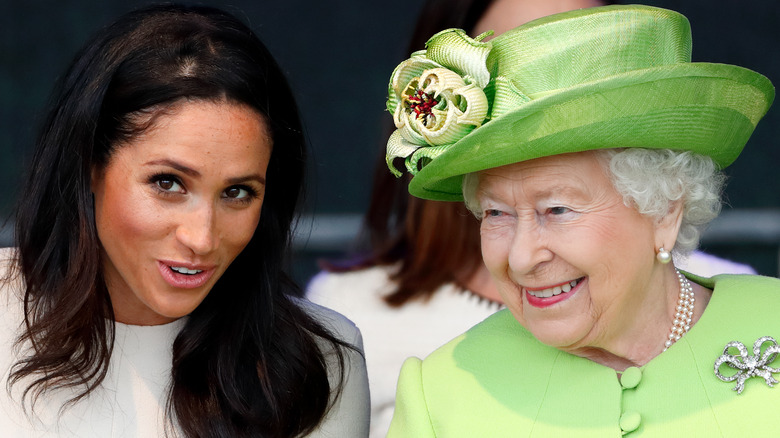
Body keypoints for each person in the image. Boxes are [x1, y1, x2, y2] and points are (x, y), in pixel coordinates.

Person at [307, 0, 754, 436]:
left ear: (665, 210)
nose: (520, 257)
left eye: (557, 209)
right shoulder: (440, 391)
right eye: (496, 212)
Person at [0, 5, 368, 437]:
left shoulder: (318, 361)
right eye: (168, 183)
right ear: (89, 165)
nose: (202, 237)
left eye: (237, 192)